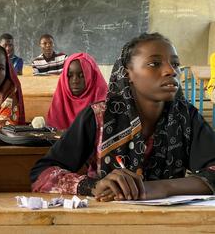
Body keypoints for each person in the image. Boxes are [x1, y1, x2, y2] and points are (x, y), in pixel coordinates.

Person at [30, 33, 215, 201]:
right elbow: (42, 174)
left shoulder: (185, 116)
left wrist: (161, 187)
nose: (171, 71)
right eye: (155, 63)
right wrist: (93, 186)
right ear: (128, 74)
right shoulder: (97, 117)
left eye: (175, 63)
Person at [47, 53, 108, 130]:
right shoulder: (59, 102)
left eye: (82, 76)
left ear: (92, 77)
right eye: (69, 75)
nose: (75, 81)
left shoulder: (105, 105)